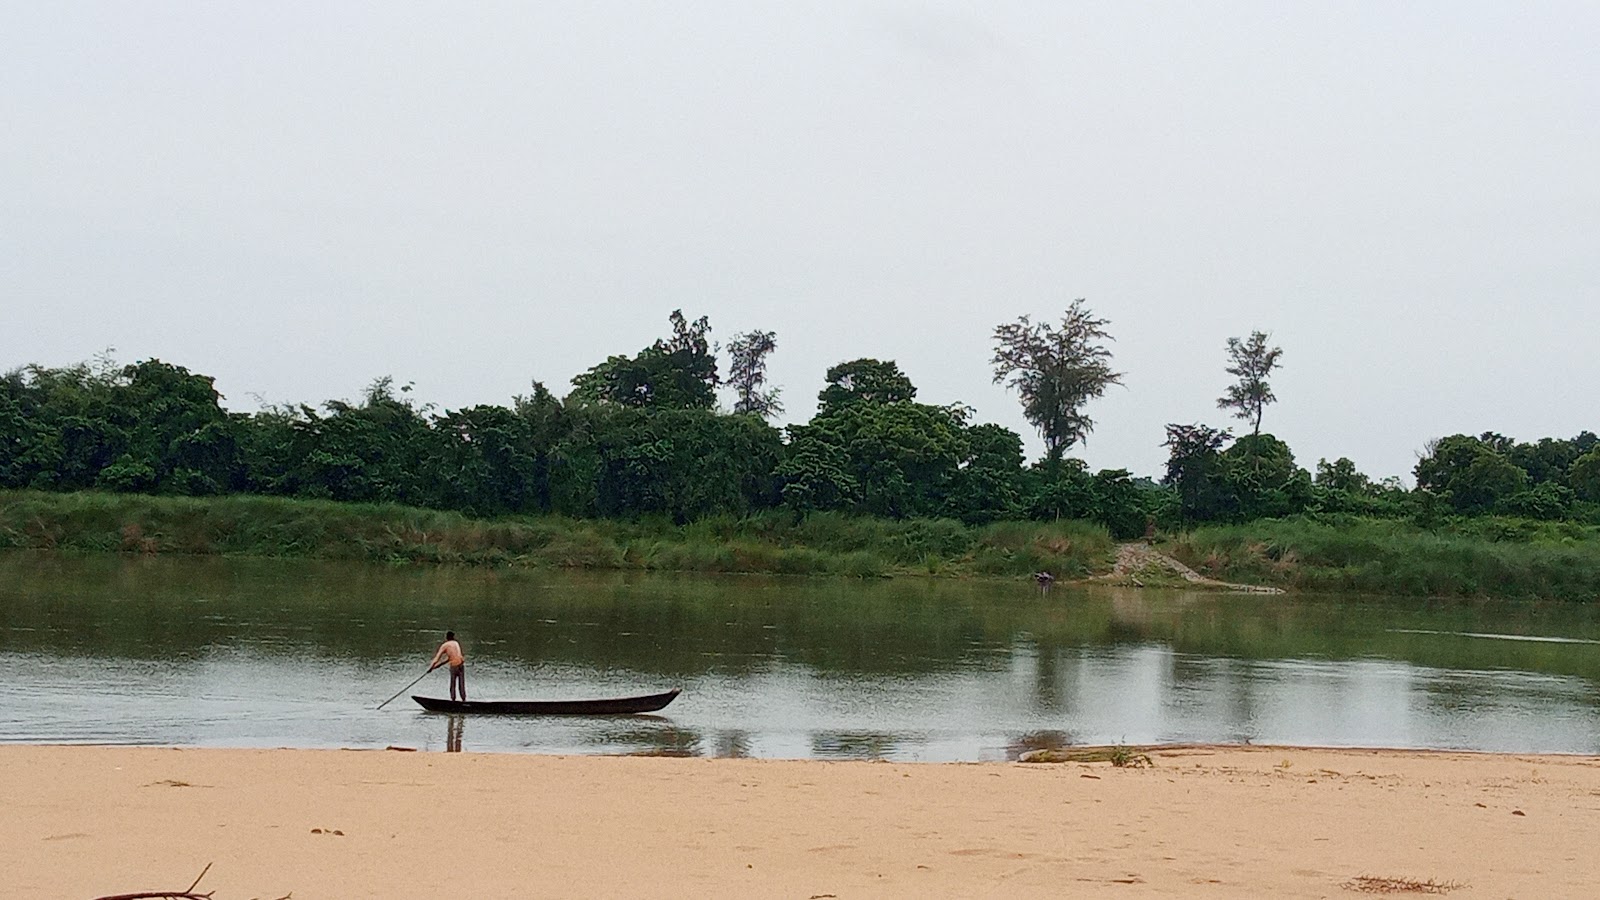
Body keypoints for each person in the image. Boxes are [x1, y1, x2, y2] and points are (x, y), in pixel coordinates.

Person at [429, 631, 466, 701]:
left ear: (446, 638)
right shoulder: (456, 643)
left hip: (454, 666)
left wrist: (431, 667)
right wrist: (437, 666)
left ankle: (453, 700)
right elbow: (450, 658)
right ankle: (464, 699)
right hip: (461, 665)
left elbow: (436, 658)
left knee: (453, 684)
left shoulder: (445, 645)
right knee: (461, 684)